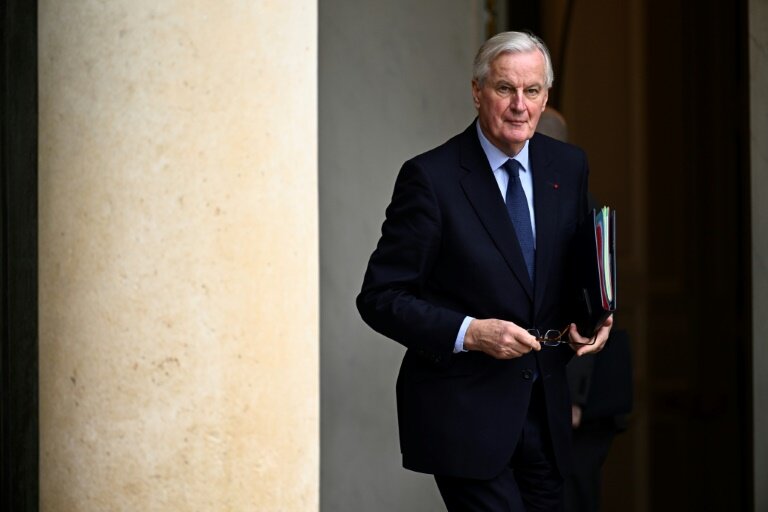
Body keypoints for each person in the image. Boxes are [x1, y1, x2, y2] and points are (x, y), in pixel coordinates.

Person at [356, 31, 613, 511]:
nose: (520, 105)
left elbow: (568, 275)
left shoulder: (569, 165)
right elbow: (380, 297)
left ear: (545, 97)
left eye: (532, 91)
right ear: (477, 93)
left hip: (548, 417)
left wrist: (591, 322)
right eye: (504, 89)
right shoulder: (430, 178)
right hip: (465, 417)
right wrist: (471, 333)